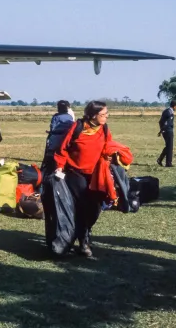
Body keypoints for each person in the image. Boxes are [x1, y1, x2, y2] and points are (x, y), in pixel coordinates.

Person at [53, 100, 112, 257]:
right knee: (82, 206)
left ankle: (82, 234)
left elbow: (108, 146)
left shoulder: (104, 129)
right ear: (93, 115)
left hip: (95, 174)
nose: (107, 116)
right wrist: (59, 165)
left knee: (96, 207)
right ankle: (83, 241)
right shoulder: (78, 127)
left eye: (107, 113)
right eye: (104, 114)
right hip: (76, 173)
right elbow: (63, 148)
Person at [41, 100, 76, 176]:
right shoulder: (69, 116)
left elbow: (53, 128)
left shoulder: (56, 116)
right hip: (66, 140)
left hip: (55, 139)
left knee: (51, 159)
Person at [157, 100, 176, 167]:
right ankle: (168, 163)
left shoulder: (167, 111)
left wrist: (161, 130)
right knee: (170, 147)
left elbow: (161, 122)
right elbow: (166, 123)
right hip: (168, 131)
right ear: (174, 106)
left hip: (166, 131)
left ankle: (160, 159)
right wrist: (162, 130)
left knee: (168, 147)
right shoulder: (169, 112)